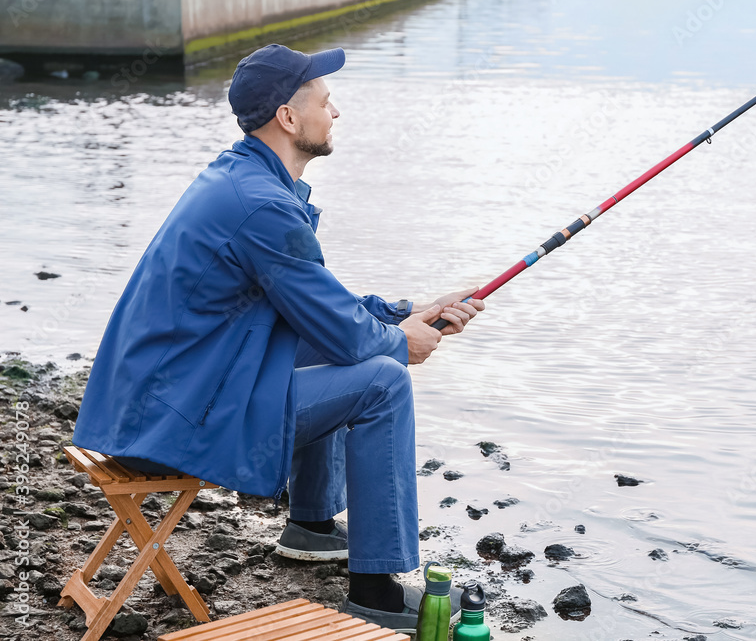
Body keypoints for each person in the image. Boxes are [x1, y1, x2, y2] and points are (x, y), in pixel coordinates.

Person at [72, 43, 485, 631]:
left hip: (153, 398)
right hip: (164, 421)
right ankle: (376, 589)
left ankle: (312, 526)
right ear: (289, 118)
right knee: (383, 381)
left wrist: (405, 311)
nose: (335, 112)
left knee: (337, 345)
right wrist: (402, 343)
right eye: (325, 100)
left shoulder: (242, 178)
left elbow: (317, 309)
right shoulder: (259, 204)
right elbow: (340, 329)